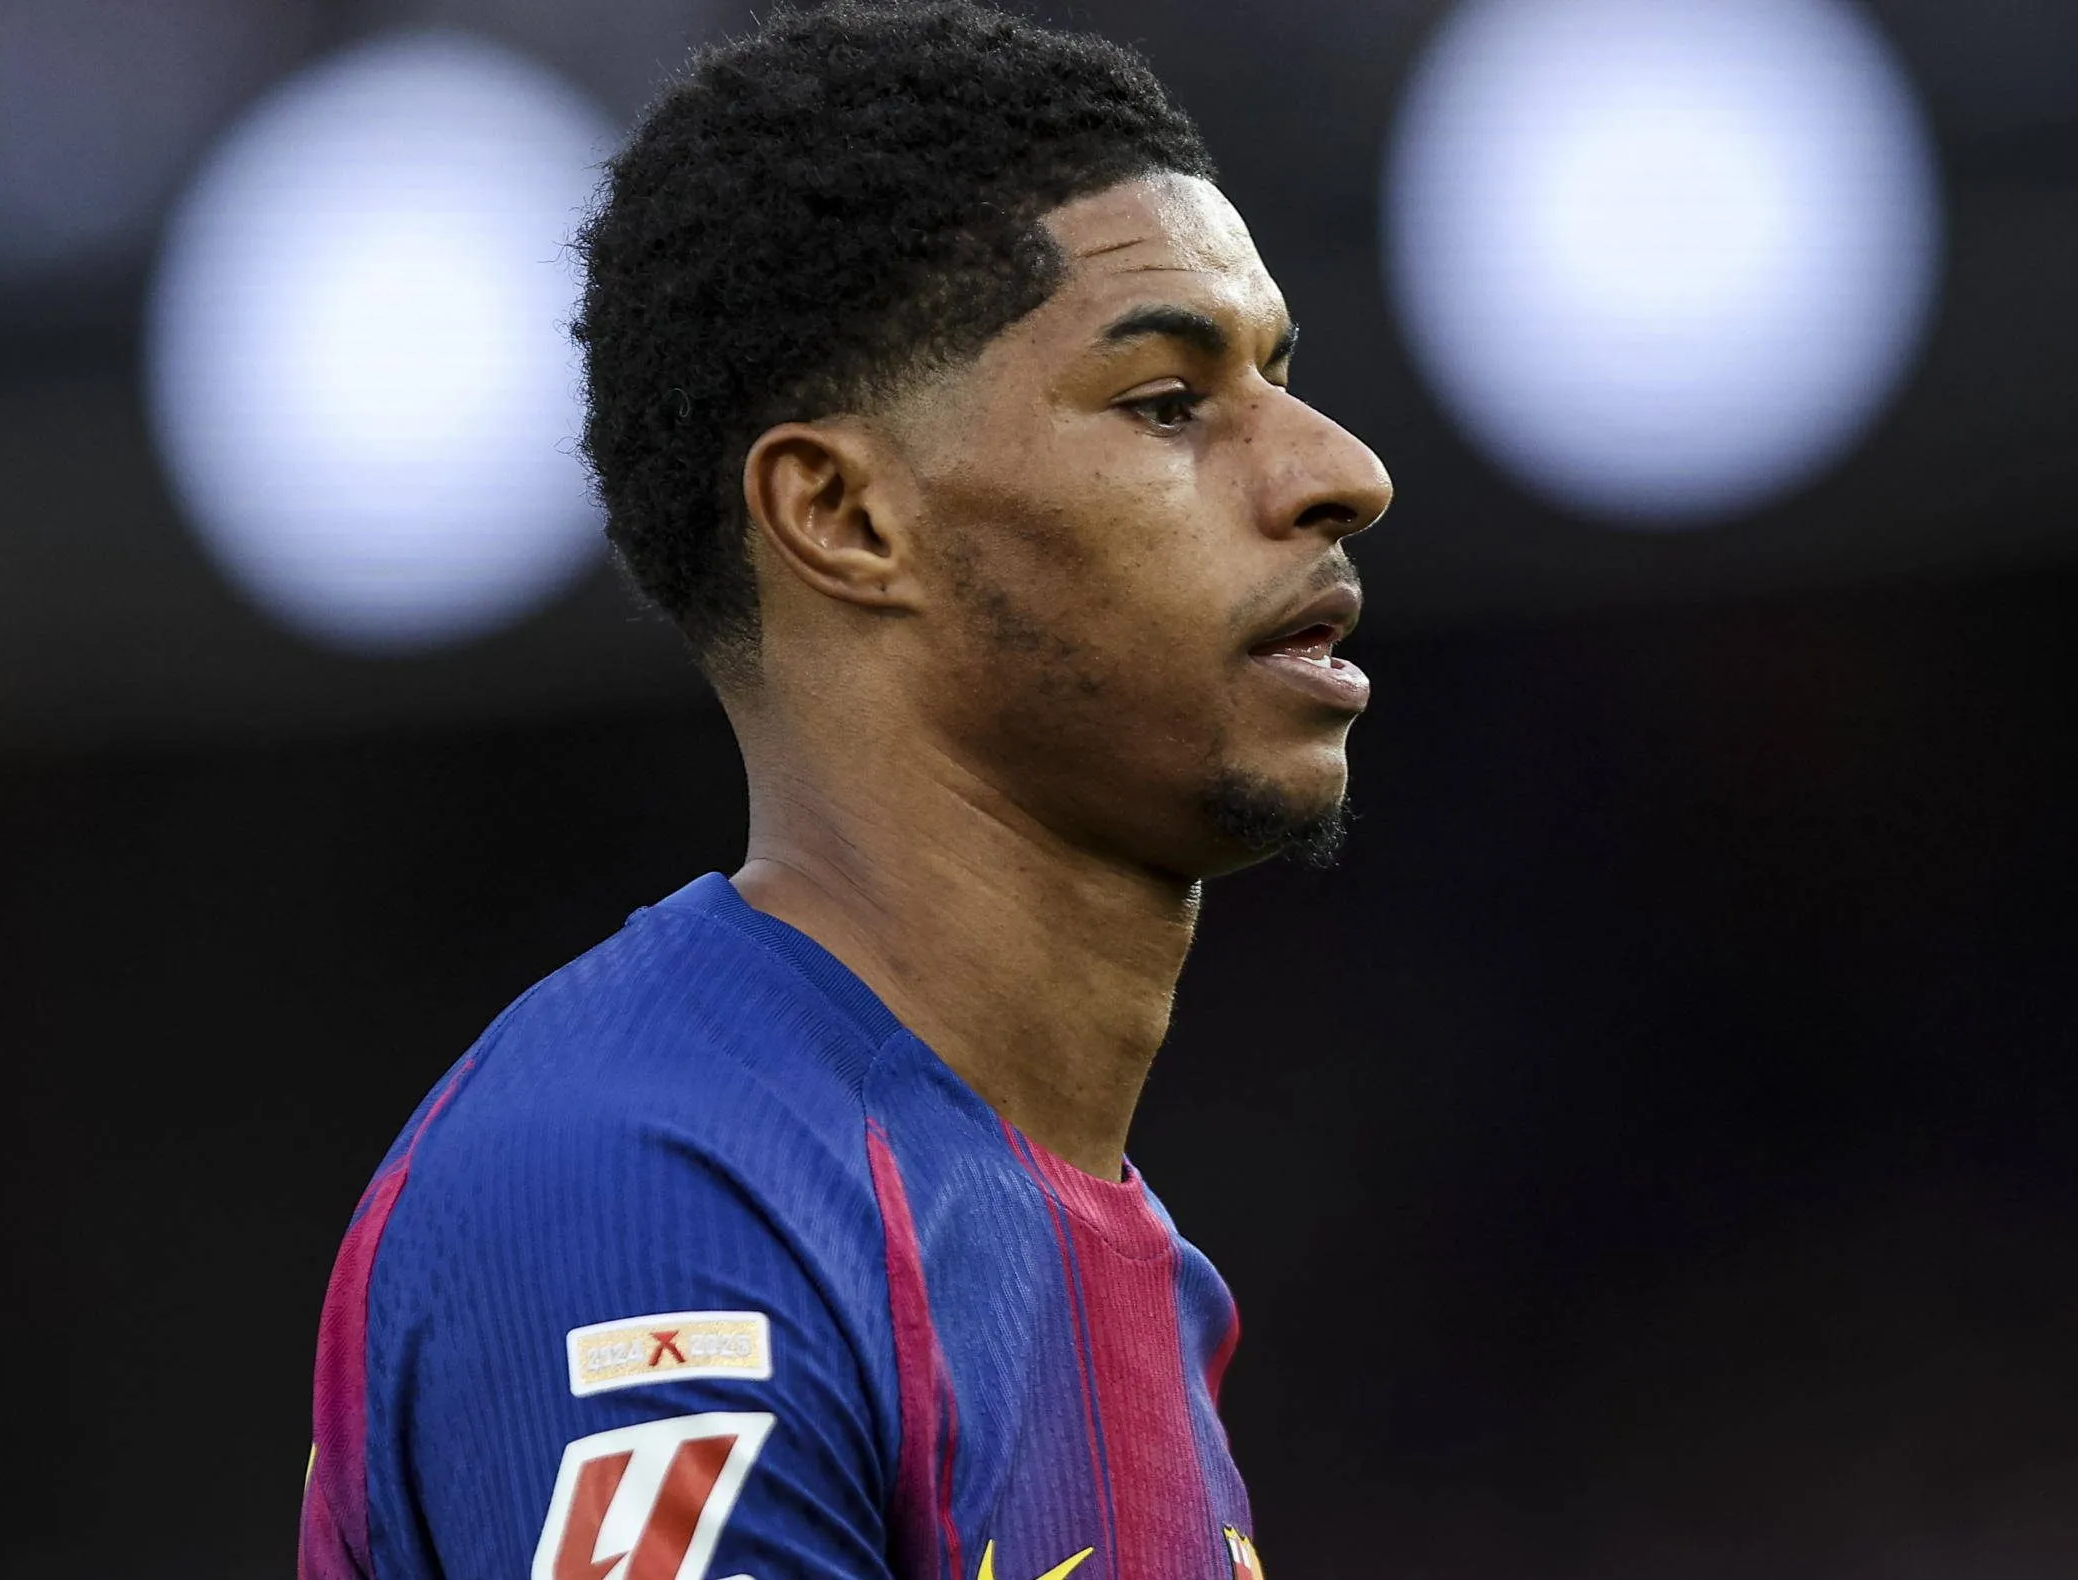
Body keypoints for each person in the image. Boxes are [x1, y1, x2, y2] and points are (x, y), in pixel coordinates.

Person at [299, 4, 1391, 1577]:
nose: (1340, 469)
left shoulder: (1122, 1268)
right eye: (1167, 402)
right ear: (843, 517)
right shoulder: (647, 1193)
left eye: (1282, 378)